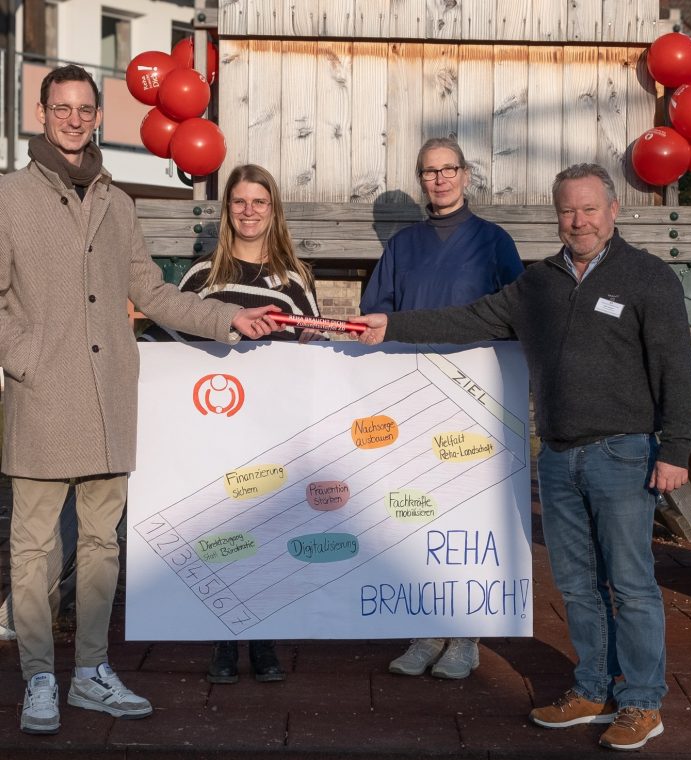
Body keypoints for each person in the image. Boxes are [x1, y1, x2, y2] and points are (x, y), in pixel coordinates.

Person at [352, 163, 691, 752]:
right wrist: (392, 324)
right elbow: (470, 317)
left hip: (623, 452)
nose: (579, 221)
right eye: (568, 210)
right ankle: (590, 688)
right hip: (558, 457)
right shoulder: (537, 284)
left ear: (613, 210)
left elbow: (676, 369)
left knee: (632, 584)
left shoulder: (648, 277)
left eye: (590, 209)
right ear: (556, 216)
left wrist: (676, 449)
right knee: (578, 585)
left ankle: (641, 701)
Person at [0, 65, 280, 736]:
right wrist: (22, 355)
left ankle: (91, 673)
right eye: (61, 107)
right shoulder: (8, 198)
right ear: (40, 113)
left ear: (97, 115)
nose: (73, 118)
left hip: (109, 401)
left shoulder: (118, 203)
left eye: (85, 108)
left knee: (102, 544)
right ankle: (40, 677)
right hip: (42, 395)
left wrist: (226, 319)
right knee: (34, 547)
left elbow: (150, 291)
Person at [142, 163, 321, 683]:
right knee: (221, 532)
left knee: (265, 533)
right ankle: (224, 640)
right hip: (213, 428)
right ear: (227, 211)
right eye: (239, 202)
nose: (248, 211)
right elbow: (164, 343)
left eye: (259, 202)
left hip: (270, 428)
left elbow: (312, 350)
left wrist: (312, 345)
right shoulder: (202, 276)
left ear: (273, 210)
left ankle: (262, 641)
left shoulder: (295, 277)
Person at [361, 137, 523, 680]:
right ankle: (427, 627)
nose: (439, 180)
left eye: (448, 169)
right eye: (429, 172)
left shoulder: (493, 242)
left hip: (474, 397)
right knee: (416, 508)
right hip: (412, 394)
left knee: (467, 511)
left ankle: (466, 635)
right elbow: (376, 310)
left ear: (466, 175)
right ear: (421, 180)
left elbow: (517, 313)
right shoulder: (403, 246)